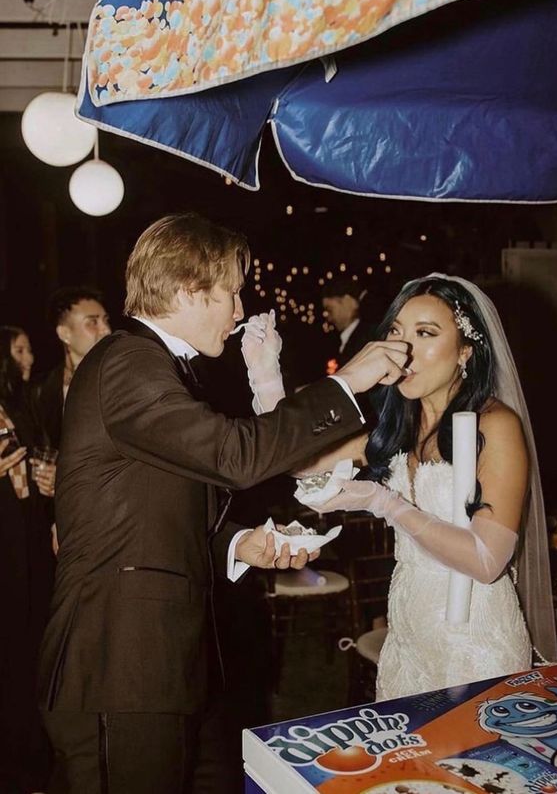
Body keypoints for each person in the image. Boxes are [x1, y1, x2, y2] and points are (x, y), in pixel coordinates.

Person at [37, 213, 409, 794]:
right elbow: (237, 455)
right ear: (188, 290)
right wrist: (348, 383)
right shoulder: (126, 361)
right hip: (120, 669)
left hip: (171, 667)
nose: (239, 310)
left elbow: (158, 518)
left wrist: (239, 544)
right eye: (231, 292)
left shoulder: (159, 369)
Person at [245, 274, 557, 699]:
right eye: (396, 332)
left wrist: (386, 502)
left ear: (466, 349)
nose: (404, 350)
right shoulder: (395, 424)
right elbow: (296, 461)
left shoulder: (495, 425)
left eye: (425, 333)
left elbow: (487, 561)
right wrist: (266, 377)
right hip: (408, 634)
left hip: (474, 640)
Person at [0, 326, 56, 793]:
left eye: (30, 347)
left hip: (28, 536)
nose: (30, 356)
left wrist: (45, 471)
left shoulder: (27, 400)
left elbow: (35, 455)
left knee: (31, 644)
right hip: (7, 543)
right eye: (20, 349)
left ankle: (31, 754)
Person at [35, 286, 111, 449]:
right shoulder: (40, 390)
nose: (106, 329)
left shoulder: (117, 378)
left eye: (105, 320)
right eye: (93, 322)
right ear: (65, 334)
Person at [321, 277, 375, 365]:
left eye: (330, 309)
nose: (329, 318)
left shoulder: (366, 339)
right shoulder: (349, 338)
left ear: (349, 301)